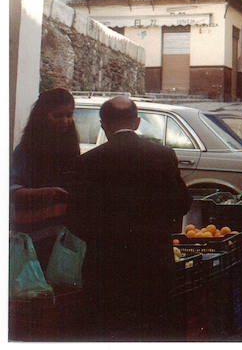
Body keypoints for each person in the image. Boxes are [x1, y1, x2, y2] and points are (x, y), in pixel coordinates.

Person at [67, 96, 192, 341]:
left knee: (110, 330)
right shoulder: (163, 155)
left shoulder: (88, 162)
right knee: (153, 330)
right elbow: (182, 203)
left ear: (103, 125)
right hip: (154, 260)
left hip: (106, 265)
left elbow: (74, 217)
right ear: (137, 122)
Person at [10, 88, 81, 266]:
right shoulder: (25, 150)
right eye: (57, 115)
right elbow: (12, 190)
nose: (65, 121)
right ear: (42, 115)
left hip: (63, 237)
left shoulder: (71, 149)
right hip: (32, 237)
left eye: (69, 115)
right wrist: (47, 193)